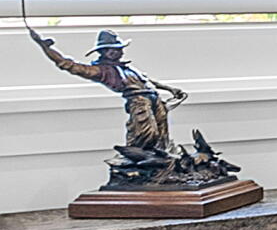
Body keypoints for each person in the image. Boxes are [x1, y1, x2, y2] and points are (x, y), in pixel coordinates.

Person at [30, 28, 183, 159]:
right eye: (114, 49)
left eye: (119, 48)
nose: (119, 52)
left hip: (155, 99)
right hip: (139, 101)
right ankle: (140, 162)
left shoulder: (127, 67)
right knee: (147, 132)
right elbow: (68, 65)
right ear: (104, 52)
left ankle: (162, 159)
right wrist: (46, 48)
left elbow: (147, 80)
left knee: (162, 135)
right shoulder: (100, 71)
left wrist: (170, 89)